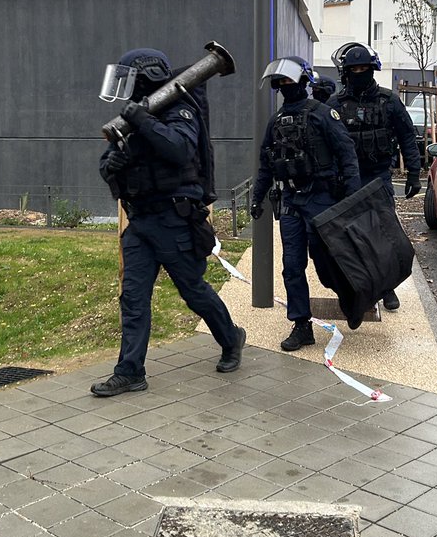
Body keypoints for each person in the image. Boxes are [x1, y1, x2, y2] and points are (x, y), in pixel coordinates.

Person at [94, 48, 245, 396]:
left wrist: (143, 120)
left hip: (174, 220)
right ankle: (130, 371)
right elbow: (107, 160)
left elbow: (178, 149)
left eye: (131, 78)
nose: (126, 87)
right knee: (133, 299)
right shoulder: (132, 118)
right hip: (141, 222)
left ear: (145, 77)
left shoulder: (180, 110)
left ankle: (231, 338)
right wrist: (110, 167)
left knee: (194, 292)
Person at [251, 56, 361, 351]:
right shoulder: (275, 122)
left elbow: (347, 153)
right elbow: (265, 164)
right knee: (292, 265)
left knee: (328, 260)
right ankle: (301, 325)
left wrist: (353, 195)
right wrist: (256, 197)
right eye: (281, 82)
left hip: (322, 198)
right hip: (290, 202)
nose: (286, 86)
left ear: (304, 82)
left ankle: (351, 298)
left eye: (290, 80)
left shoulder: (323, 114)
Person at [327, 43, 421, 311]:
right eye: (354, 69)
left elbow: (406, 138)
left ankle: (387, 287)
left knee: (384, 233)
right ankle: (357, 286)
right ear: (346, 72)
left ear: (372, 69)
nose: (359, 72)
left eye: (364, 68)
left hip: (378, 177)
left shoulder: (388, 101)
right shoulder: (335, 104)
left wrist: (414, 173)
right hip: (346, 181)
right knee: (349, 236)